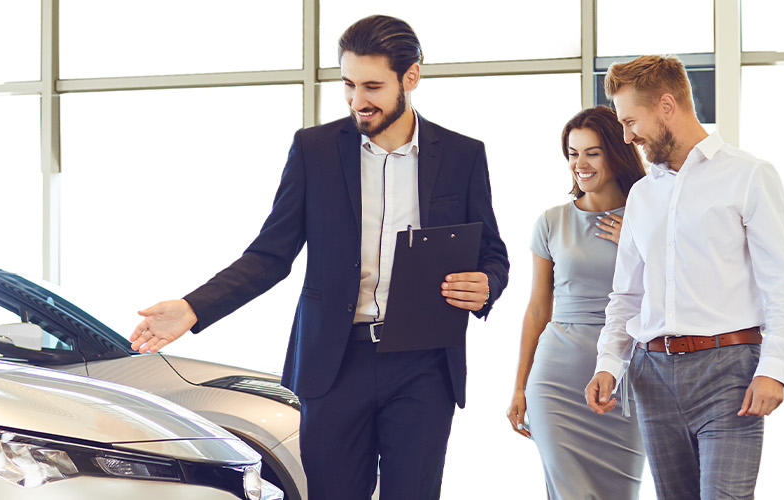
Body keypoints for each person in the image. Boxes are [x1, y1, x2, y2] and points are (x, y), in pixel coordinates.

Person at [128, 15, 509, 500]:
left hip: (423, 363)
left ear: (410, 77)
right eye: (348, 84)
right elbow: (270, 254)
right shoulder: (315, 150)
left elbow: (492, 252)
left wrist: (487, 283)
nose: (357, 101)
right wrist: (192, 307)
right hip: (335, 362)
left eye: (372, 86)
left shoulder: (461, 155)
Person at [583, 55, 784, 500]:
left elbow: (783, 283)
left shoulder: (749, 176)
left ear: (667, 106)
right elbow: (627, 295)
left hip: (729, 373)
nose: (627, 137)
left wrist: (775, 369)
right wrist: (609, 363)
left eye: (631, 121)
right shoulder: (643, 194)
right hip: (652, 375)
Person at [506, 106, 647, 499]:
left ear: (617, 154)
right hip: (556, 379)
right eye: (572, 153)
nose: (579, 164)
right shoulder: (551, 221)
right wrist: (519, 387)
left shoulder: (650, 217)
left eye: (592, 152)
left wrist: (638, 246)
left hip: (625, 376)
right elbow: (537, 310)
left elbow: (676, 294)